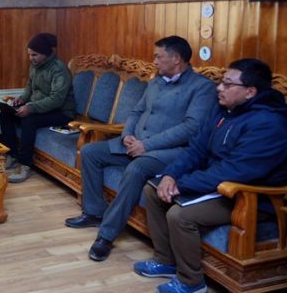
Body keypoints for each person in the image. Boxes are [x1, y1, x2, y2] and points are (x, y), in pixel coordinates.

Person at [134, 58, 287, 293]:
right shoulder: (223, 109)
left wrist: (182, 185)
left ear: (250, 91)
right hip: (217, 183)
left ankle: (192, 283)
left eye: (227, 84)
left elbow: (236, 171)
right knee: (152, 190)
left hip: (248, 196)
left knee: (180, 215)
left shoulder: (268, 123)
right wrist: (170, 175)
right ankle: (166, 261)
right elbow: (196, 149)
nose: (219, 88)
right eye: (221, 82)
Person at [65, 35, 216, 262]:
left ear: (176, 59)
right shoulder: (156, 81)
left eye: (158, 56)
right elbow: (136, 112)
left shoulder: (201, 87)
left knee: (137, 168)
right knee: (90, 152)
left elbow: (191, 128)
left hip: (170, 152)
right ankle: (94, 211)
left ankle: (106, 236)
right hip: (136, 141)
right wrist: (127, 135)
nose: (153, 61)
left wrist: (146, 145)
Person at [0, 33, 76, 183]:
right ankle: (12, 156)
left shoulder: (59, 69)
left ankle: (25, 165)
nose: (31, 58)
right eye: (29, 54)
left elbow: (57, 100)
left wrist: (30, 107)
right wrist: (21, 99)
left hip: (61, 112)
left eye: (34, 55)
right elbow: (30, 89)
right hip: (40, 108)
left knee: (29, 119)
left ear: (45, 53)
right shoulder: (35, 66)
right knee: (6, 113)